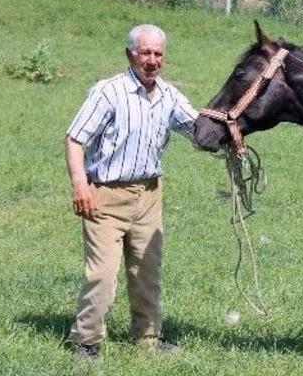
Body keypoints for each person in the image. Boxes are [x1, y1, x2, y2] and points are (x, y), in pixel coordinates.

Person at [64, 24, 198, 359]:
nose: (152, 60)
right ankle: (85, 340)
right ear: (130, 54)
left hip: (149, 196)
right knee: (102, 275)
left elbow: (198, 130)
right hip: (105, 196)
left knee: (147, 271)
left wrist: (233, 131)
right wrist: (80, 183)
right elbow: (75, 139)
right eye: (145, 53)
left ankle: (148, 337)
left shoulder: (168, 96)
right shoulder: (108, 92)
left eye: (158, 54)